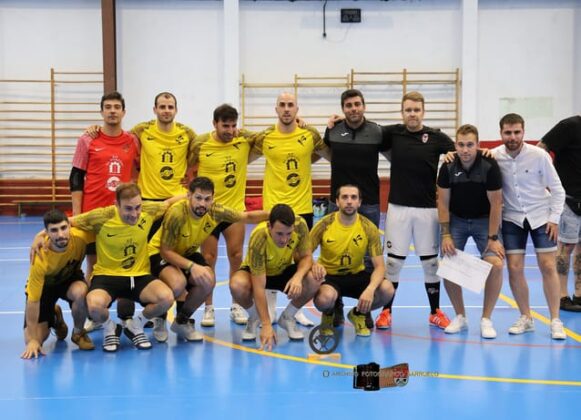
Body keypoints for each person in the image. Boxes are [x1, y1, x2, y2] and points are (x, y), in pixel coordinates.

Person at [148, 176, 269, 342]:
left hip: (186, 252)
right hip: (158, 253)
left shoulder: (215, 211)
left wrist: (275, 214)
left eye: (207, 199)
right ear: (189, 196)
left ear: (213, 198)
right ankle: (159, 319)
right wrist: (192, 266)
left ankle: (182, 321)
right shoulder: (177, 213)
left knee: (208, 279)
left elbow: (246, 217)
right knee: (177, 283)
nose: (202, 204)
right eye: (198, 198)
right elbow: (166, 251)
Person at [251, 92, 331, 326]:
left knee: (301, 260)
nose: (286, 109)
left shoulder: (309, 134)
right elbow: (242, 156)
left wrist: (333, 128)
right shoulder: (265, 137)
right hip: (273, 209)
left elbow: (330, 155)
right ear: (276, 109)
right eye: (282, 105)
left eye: (291, 105)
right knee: (271, 260)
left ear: (297, 109)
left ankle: (294, 310)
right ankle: (269, 310)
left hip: (302, 209)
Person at [376, 91, 455, 330]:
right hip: (397, 208)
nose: (412, 114)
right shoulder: (392, 134)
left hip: (427, 211)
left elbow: (461, 152)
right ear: (402, 112)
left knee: (431, 264)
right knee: (393, 264)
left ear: (423, 112)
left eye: (416, 110)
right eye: (408, 110)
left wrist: (454, 154)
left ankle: (435, 311)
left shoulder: (436, 137)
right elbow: (363, 129)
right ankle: (386, 311)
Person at [72, 183, 175, 351]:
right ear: (116, 205)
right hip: (107, 276)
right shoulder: (101, 217)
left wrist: (191, 196)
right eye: (128, 209)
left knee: (166, 298)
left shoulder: (149, 210)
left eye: (137, 207)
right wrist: (40, 236)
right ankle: (110, 327)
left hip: (139, 275)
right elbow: (68, 222)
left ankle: (135, 325)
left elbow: (170, 202)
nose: (134, 214)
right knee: (94, 306)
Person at [493, 113, 566, 340]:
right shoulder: (493, 156)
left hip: (541, 216)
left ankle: (555, 320)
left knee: (547, 265)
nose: (512, 137)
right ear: (501, 133)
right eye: (508, 132)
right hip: (512, 218)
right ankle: (526, 317)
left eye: (517, 132)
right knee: (514, 268)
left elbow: (558, 190)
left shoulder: (539, 156)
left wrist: (554, 218)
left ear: (523, 132)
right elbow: (466, 154)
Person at [70, 91, 140, 332]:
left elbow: (140, 169)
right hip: (92, 215)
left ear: (123, 112)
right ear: (101, 111)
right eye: (107, 107)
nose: (112, 111)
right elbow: (76, 177)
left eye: (116, 107)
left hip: (121, 216)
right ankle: (95, 314)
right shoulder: (87, 140)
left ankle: (126, 315)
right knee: (94, 265)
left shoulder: (133, 140)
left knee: (126, 263)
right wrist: (78, 215)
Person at [324, 88, 390, 328]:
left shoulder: (377, 132)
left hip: (369, 203)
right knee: (335, 255)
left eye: (357, 104)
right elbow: (319, 147)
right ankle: (336, 307)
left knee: (369, 260)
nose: (354, 109)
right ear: (343, 109)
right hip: (337, 203)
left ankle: (364, 309)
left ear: (364, 106)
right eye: (349, 105)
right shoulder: (332, 131)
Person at [190, 104, 255, 327]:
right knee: (208, 259)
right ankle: (209, 307)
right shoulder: (201, 143)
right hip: (208, 212)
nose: (229, 130)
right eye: (225, 125)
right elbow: (186, 165)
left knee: (237, 255)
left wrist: (243, 132)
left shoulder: (242, 142)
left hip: (234, 210)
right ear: (214, 124)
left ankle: (236, 305)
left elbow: (265, 138)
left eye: (233, 125)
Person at [437, 124, 504, 338]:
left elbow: (496, 203)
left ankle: (486, 319)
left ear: (478, 145)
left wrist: (493, 238)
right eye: (461, 145)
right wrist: (446, 234)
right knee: (448, 262)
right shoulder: (447, 166)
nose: (465, 150)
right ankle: (460, 317)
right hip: (456, 219)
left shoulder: (489, 165)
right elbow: (443, 203)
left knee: (496, 264)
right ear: (455, 145)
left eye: (470, 145)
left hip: (484, 220)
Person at [229, 204, 319, 351]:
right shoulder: (259, 237)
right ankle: (254, 317)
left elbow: (306, 257)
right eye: (279, 234)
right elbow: (259, 287)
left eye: (288, 234)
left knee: (314, 279)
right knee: (237, 285)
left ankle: (288, 317)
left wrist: (298, 277)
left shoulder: (300, 225)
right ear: (269, 226)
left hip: (284, 268)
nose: (284, 240)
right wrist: (266, 325)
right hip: (259, 272)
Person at [311, 185, 394, 337]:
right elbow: (303, 254)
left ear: (359, 202)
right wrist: (314, 265)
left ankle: (358, 314)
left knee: (387, 289)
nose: (349, 201)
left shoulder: (368, 227)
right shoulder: (324, 224)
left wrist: (369, 290)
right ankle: (329, 316)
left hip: (356, 274)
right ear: (337, 201)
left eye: (353, 197)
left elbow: (380, 267)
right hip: (330, 276)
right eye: (344, 197)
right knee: (324, 299)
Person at [22, 210, 94, 359]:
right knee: (34, 341)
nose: (61, 234)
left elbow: (104, 226)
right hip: (45, 288)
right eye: (54, 230)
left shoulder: (80, 237)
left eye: (63, 228)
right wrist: (34, 340)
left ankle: (78, 333)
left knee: (81, 292)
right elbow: (33, 301)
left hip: (69, 279)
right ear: (46, 233)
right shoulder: (40, 257)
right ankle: (55, 318)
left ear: (69, 226)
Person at [538, 115, 581, 312]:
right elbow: (541, 148)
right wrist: (546, 183)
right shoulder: (569, 126)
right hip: (568, 199)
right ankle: (562, 296)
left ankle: (579, 295)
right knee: (566, 247)